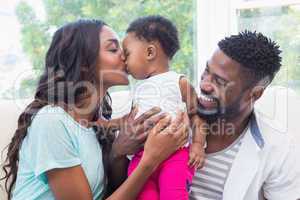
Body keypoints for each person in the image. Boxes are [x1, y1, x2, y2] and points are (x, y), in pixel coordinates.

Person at [0, 19, 189, 200]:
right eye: (113, 49)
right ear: (84, 62)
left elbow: (115, 192)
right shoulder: (52, 121)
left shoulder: (97, 122)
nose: (124, 55)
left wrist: (117, 154)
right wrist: (151, 159)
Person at [189, 30, 300, 199]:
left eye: (220, 81)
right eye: (206, 70)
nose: (204, 84)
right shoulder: (174, 119)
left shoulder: (281, 149)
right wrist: (131, 147)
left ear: (255, 94)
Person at [121, 15, 206, 200]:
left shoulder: (179, 82)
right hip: (141, 157)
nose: (123, 61)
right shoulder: (138, 88)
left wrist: (198, 144)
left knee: (173, 194)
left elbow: (197, 115)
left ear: (150, 52)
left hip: (175, 156)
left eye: (126, 54)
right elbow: (130, 120)